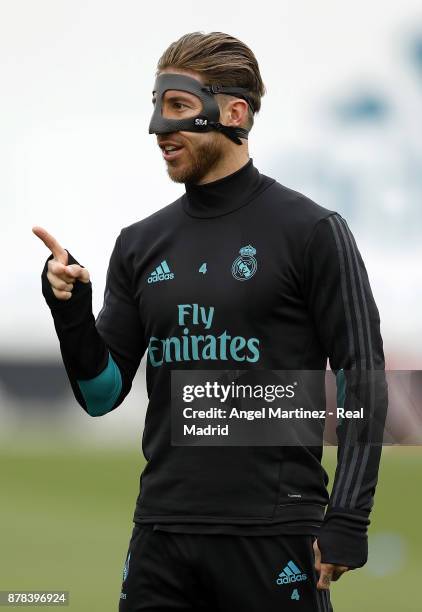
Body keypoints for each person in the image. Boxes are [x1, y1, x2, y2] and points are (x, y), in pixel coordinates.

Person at [33, 31, 388, 612]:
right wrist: (69, 310)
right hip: (161, 535)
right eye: (155, 107)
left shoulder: (312, 231)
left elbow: (363, 377)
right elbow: (101, 395)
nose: (158, 127)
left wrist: (348, 514)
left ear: (234, 112)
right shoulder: (140, 244)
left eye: (176, 107)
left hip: (274, 536)